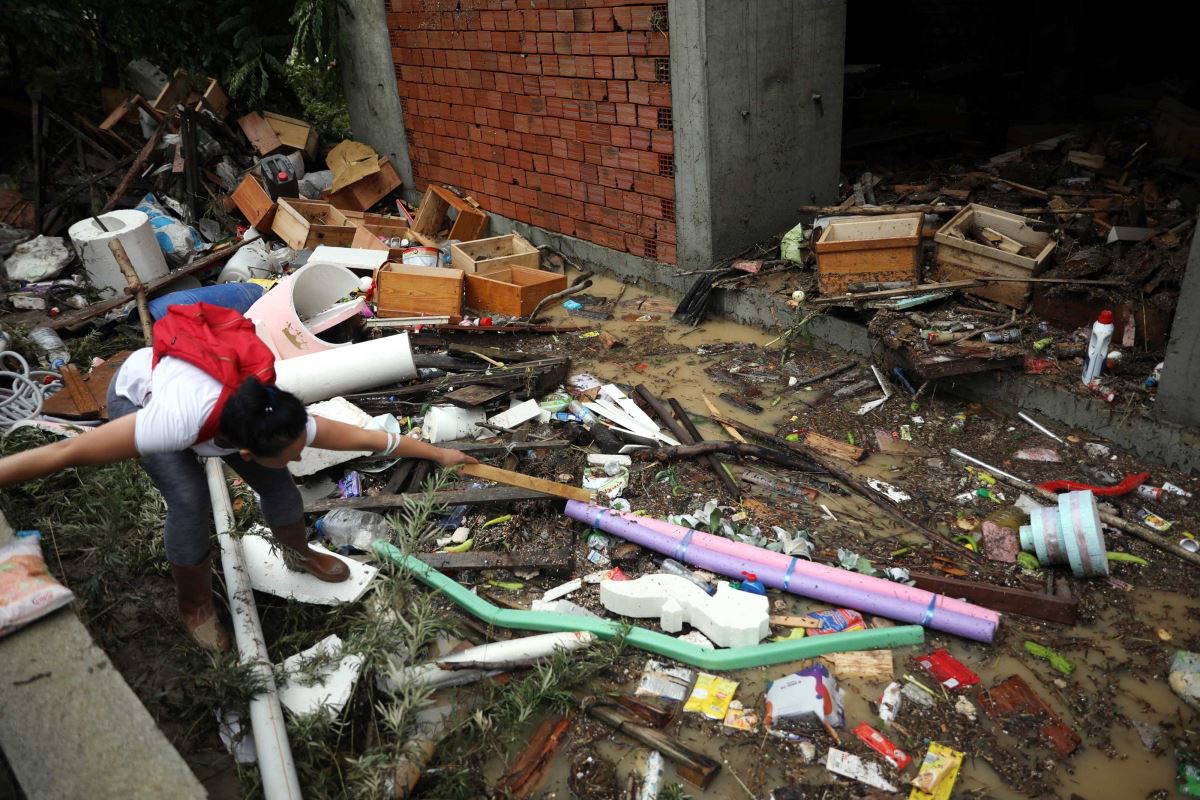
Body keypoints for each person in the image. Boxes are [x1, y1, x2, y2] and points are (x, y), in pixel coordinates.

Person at [0, 344, 477, 653]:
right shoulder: (171, 422)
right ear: (245, 451)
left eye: (299, 443)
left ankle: (300, 552)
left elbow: (371, 440)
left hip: (216, 405)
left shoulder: (280, 419)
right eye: (290, 451)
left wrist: (438, 453)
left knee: (278, 484)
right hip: (142, 394)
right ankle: (195, 605)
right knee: (189, 500)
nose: (299, 452)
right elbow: (65, 451)